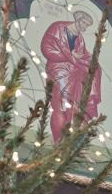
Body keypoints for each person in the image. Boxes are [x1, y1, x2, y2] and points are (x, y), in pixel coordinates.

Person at [41, 9, 101, 144]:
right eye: (84, 23)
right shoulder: (57, 27)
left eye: (87, 25)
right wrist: (70, 55)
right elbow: (47, 48)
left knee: (74, 108)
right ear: (78, 19)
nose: (84, 27)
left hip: (74, 74)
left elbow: (83, 55)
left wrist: (92, 62)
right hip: (58, 70)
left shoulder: (79, 38)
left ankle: (70, 142)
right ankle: (58, 141)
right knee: (61, 106)